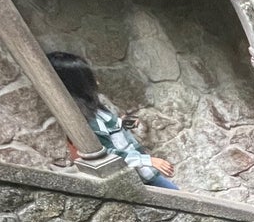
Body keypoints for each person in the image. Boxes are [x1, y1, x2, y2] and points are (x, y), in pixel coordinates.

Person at [46, 51, 178, 189]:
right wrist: (149, 160)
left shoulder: (95, 109)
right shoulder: (88, 122)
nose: (97, 82)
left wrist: (127, 123)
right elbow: (108, 154)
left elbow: (112, 128)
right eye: (89, 78)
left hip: (144, 174)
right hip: (138, 178)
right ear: (78, 85)